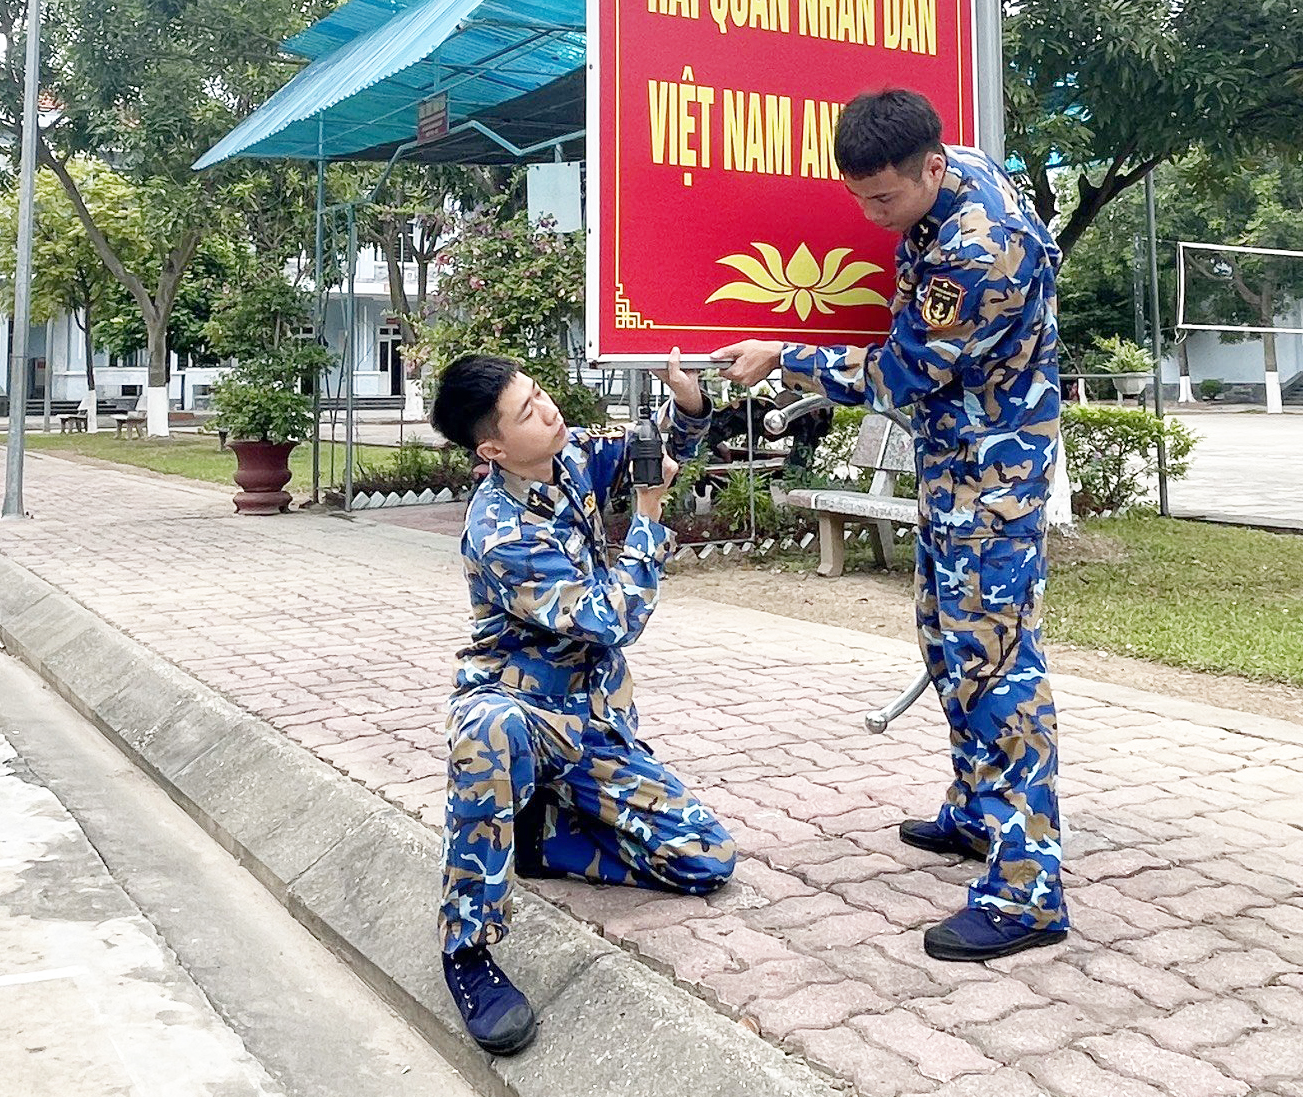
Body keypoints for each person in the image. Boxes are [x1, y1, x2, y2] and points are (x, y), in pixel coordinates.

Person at [712, 88, 1068, 962]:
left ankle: (1028, 892)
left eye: (884, 199)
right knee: (945, 642)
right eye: (858, 197)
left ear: (931, 168)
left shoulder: (976, 254)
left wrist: (786, 356)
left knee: (997, 668)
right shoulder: (955, 169)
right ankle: (977, 812)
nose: (871, 217)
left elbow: (900, 378)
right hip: (957, 465)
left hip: (995, 480)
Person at [429, 350, 734, 1055]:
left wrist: (687, 402)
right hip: (525, 711)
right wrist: (649, 517)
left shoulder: (569, 456)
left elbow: (656, 451)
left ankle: (542, 837)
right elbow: (613, 619)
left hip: (595, 721)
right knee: (486, 730)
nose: (548, 409)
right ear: (493, 449)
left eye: (539, 392)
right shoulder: (501, 531)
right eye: (527, 410)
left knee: (705, 859)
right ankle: (466, 949)